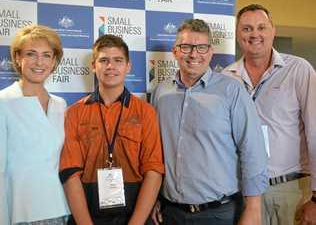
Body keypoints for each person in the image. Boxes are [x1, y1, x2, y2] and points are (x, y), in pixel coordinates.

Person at [151, 18, 268, 225]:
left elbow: (252, 149)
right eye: (186, 47)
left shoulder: (232, 91)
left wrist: (253, 208)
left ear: (211, 51)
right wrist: (153, 198)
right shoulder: (161, 92)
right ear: (175, 51)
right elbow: (155, 152)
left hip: (218, 214)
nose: (194, 54)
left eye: (202, 47)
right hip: (170, 213)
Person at [222, 4, 316, 225]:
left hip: (291, 190)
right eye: (246, 29)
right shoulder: (226, 78)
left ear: (273, 30)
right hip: (242, 191)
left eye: (261, 27)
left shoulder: (299, 70)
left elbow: (315, 133)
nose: (255, 34)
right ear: (237, 35)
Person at [59, 34, 164, 225]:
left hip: (135, 212)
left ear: (128, 66)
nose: (110, 66)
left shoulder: (145, 112)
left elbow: (154, 170)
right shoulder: (74, 113)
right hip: (88, 211)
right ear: (93, 66)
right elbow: (70, 173)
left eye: (118, 60)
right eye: (104, 60)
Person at [0, 24, 69, 224]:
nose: (39, 62)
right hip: (19, 214)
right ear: (17, 58)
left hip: (60, 210)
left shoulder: (60, 105)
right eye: (31, 54)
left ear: (54, 60)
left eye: (47, 55)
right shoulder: (4, 102)